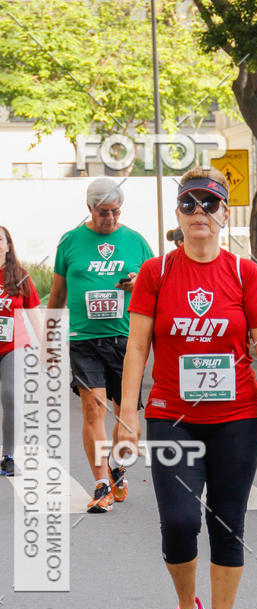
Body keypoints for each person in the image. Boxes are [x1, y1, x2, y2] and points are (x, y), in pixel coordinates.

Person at [118, 166, 257, 609]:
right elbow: (136, 348)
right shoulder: (157, 273)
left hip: (239, 415)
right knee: (178, 521)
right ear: (177, 214)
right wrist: (127, 416)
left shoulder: (244, 273)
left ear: (223, 214)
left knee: (227, 521)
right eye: (189, 204)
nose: (199, 213)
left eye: (209, 205)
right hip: (173, 415)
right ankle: (185, 608)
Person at [47, 178, 154, 512]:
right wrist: (50, 339)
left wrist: (138, 283)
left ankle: (117, 464)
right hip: (84, 340)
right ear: (90, 209)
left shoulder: (136, 242)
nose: (110, 218)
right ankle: (101, 483)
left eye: (116, 211)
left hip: (127, 340)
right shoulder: (71, 242)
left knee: (126, 418)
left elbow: (157, 289)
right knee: (93, 409)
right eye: (103, 212)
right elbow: (58, 295)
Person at [0, 226, 42, 476]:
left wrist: (46, 347)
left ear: (8, 245)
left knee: (11, 394)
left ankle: (8, 454)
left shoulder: (19, 276)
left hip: (13, 345)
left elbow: (34, 315)